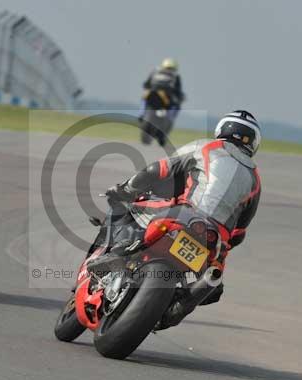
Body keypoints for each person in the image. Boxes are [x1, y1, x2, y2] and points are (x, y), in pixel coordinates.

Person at [106, 110, 262, 325]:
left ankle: (118, 250)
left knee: (130, 206)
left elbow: (157, 169)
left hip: (184, 215)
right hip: (213, 238)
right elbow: (240, 231)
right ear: (254, 142)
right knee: (213, 284)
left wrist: (125, 189)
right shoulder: (255, 178)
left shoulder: (207, 146)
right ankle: (178, 307)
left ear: (222, 129)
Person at [141, 58, 185, 123]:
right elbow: (177, 90)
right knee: (176, 106)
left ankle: (141, 114)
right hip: (166, 97)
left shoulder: (155, 71)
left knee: (143, 100)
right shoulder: (175, 75)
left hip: (150, 93)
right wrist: (180, 98)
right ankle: (170, 120)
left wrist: (147, 87)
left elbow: (146, 84)